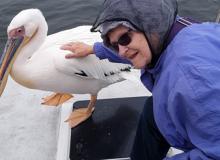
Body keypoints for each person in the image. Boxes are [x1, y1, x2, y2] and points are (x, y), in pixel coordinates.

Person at [61, 0, 220, 159]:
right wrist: (93, 49)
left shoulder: (192, 83)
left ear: (150, 27)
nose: (121, 52)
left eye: (124, 39)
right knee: (152, 110)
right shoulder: (178, 28)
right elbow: (135, 46)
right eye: (115, 45)